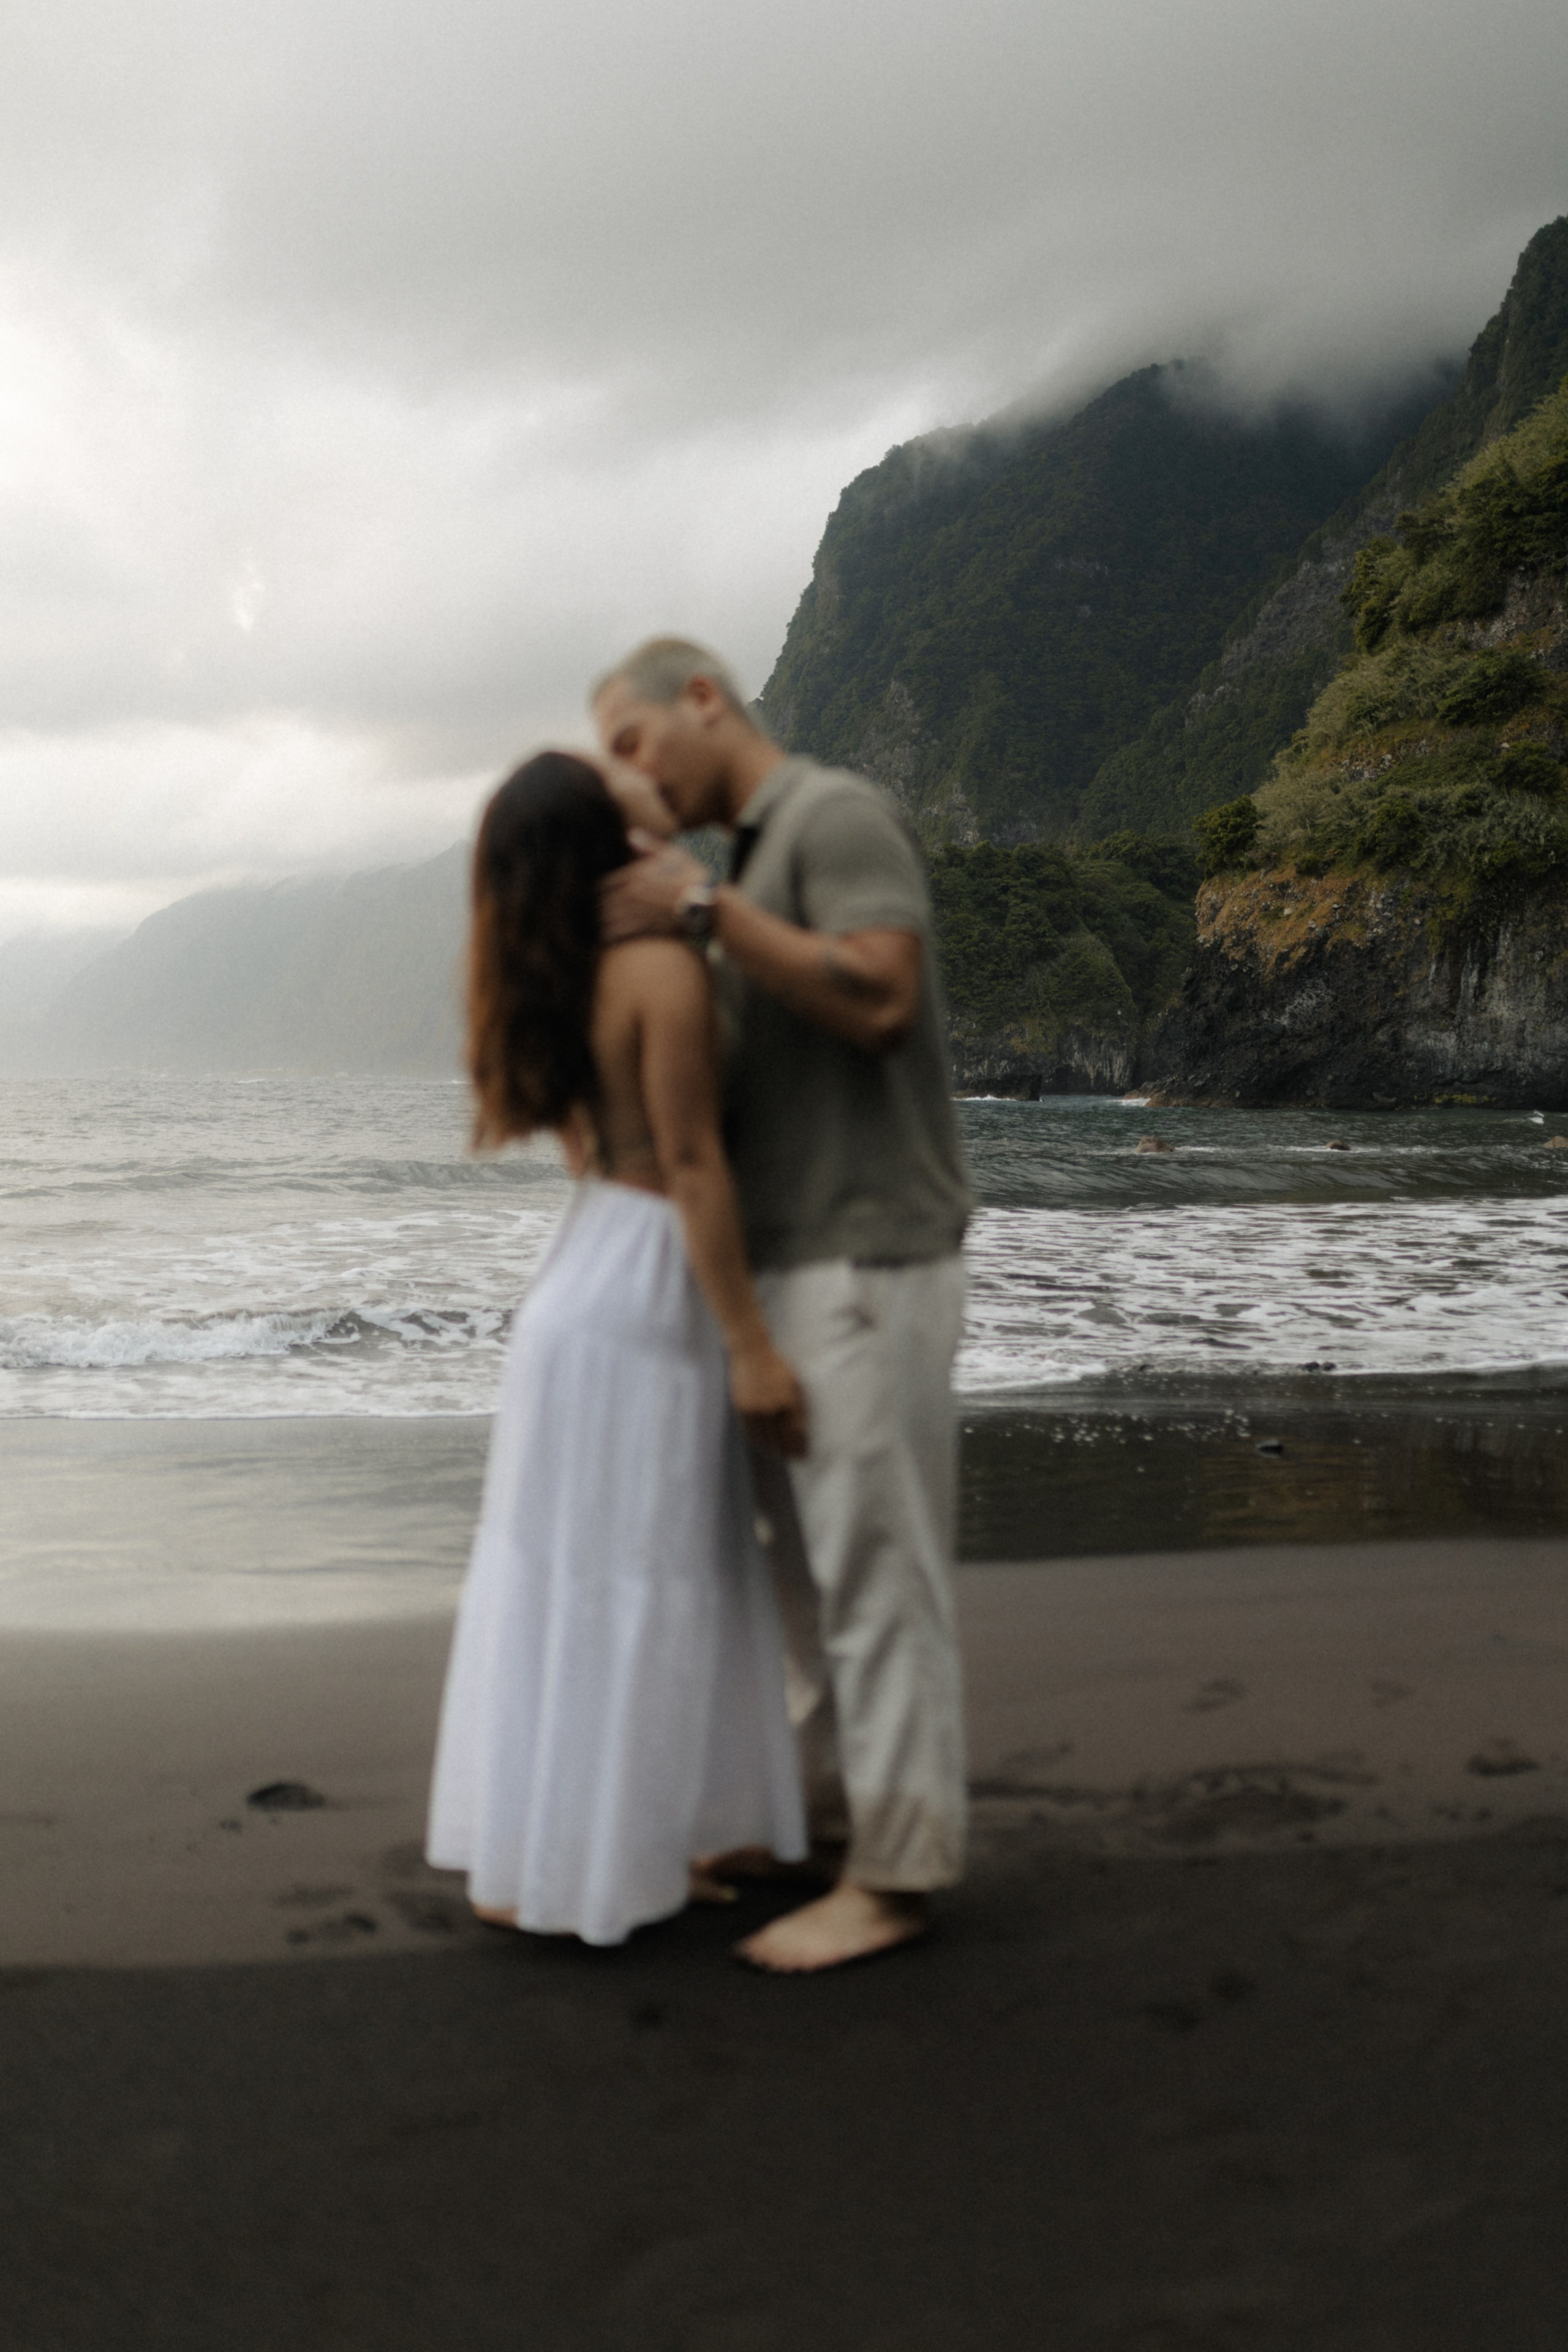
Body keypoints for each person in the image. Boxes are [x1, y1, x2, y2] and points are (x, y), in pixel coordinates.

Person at [594, 639, 974, 1972]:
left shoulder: (830, 814)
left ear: (700, 700)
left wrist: (698, 915)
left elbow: (879, 995)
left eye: (630, 744)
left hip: (867, 1254)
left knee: (877, 1571)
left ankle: (898, 1871)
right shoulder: (747, 863)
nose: (626, 778)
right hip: (791, 1265)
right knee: (804, 1583)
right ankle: (816, 1821)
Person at [425, 751, 809, 1946]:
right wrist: (749, 1344)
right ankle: (633, 1850)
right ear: (601, 834)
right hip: (645, 1290)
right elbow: (690, 1168)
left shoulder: (541, 976)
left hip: (570, 1285)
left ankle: (534, 1851)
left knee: (562, 1573)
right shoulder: (657, 970)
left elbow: (594, 1154)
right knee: (651, 1566)